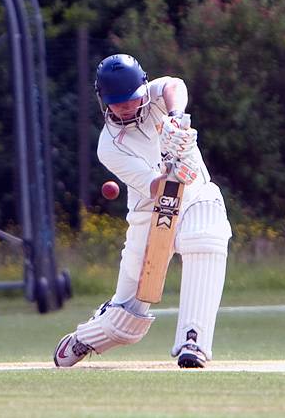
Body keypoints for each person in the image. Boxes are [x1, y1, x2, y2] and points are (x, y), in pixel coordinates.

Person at [53, 54, 232, 368]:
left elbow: (174, 84)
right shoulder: (109, 146)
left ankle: (194, 342)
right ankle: (90, 334)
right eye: (117, 103)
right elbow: (156, 189)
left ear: (143, 88)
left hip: (194, 195)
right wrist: (173, 165)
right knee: (128, 320)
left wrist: (176, 120)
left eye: (132, 99)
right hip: (149, 212)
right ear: (103, 101)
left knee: (207, 233)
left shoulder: (158, 96)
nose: (126, 107)